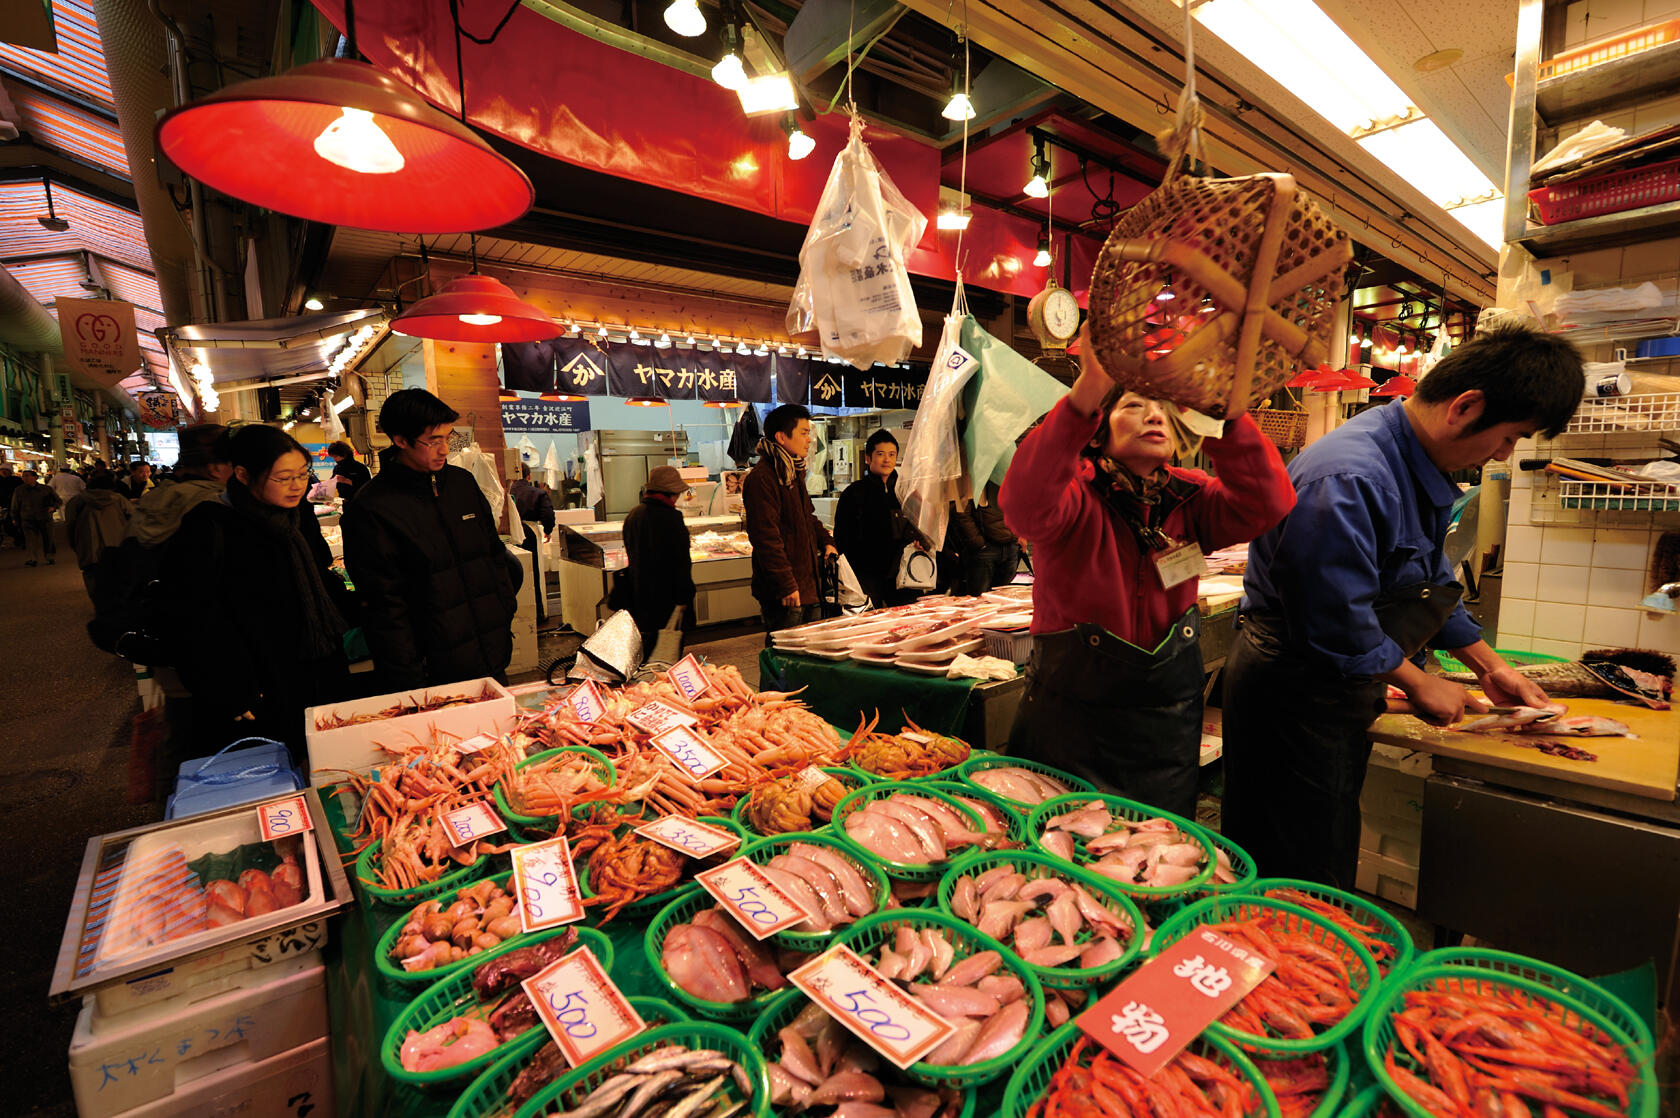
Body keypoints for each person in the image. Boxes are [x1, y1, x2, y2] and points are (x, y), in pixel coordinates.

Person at [1222, 323, 1584, 889]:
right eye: (1511, 437)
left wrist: (1490, 667)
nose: (1505, 454)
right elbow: (1332, 619)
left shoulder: (1415, 462)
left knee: (1324, 844)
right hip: (1292, 687)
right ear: (1466, 407)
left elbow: (1426, 581)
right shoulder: (1349, 477)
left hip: (1336, 680)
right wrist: (1418, 682)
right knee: (1294, 866)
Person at [999, 328, 1296, 819]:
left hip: (1164, 733)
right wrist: (1087, 391)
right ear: (1100, 430)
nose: (1154, 415)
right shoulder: (1075, 496)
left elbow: (1270, 501)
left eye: (1164, 410)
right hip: (1069, 724)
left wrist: (1220, 414)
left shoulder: (1191, 499)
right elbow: (1023, 506)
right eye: (1134, 406)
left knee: (1158, 853)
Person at [165, 426, 350, 760]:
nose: (297, 486)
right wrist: (232, 689)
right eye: (283, 478)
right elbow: (195, 618)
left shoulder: (298, 515)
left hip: (318, 665)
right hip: (260, 681)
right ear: (243, 475)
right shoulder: (209, 526)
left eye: (302, 474)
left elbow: (320, 574)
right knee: (279, 767)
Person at [343, 388, 517, 690]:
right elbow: (383, 603)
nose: (444, 449)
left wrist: (504, 609)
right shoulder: (372, 507)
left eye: (449, 438)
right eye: (434, 441)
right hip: (430, 670)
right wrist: (409, 674)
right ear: (400, 440)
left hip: (491, 652)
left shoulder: (462, 484)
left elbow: (493, 553)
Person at [744, 403, 836, 640]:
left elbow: (807, 517)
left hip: (808, 585)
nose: (809, 440)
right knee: (784, 653)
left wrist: (827, 541)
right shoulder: (762, 478)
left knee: (811, 652)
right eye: (804, 433)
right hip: (786, 591)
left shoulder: (793, 472)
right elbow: (766, 538)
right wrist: (786, 584)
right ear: (782, 437)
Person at [833, 429, 923, 607]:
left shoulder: (906, 491)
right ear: (868, 458)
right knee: (868, 619)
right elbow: (842, 535)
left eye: (892, 454)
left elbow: (919, 524)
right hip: (867, 574)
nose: (887, 459)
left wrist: (920, 540)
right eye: (880, 454)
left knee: (907, 618)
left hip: (903, 570)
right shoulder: (854, 493)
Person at [619, 465, 696, 658]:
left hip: (639, 597)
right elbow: (681, 564)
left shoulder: (633, 515)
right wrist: (685, 599)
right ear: (671, 493)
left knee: (644, 652)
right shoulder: (671, 518)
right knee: (666, 657)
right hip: (667, 601)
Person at [65, 471, 132, 599]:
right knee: (117, 573)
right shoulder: (118, 499)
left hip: (88, 544)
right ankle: (117, 600)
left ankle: (99, 601)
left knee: (92, 574)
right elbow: (132, 518)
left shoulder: (77, 501)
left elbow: (70, 524)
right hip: (117, 543)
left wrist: (75, 544)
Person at [11, 470, 61, 566]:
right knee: (30, 539)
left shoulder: (46, 489)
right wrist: (14, 517)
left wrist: (53, 507)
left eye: (27, 476)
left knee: (48, 538)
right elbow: (15, 505)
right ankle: (32, 558)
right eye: (23, 476)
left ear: (35, 477)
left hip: (44, 517)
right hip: (27, 518)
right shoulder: (19, 490)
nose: (25, 478)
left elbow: (58, 501)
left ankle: (50, 556)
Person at [509, 462, 555, 551]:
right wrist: (548, 531)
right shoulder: (539, 493)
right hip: (531, 533)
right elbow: (548, 515)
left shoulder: (506, 493)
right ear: (529, 476)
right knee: (532, 558)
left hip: (511, 533)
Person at [0, 464, 22, 549]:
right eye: (2, 470)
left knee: (15, 524)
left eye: (6, 470)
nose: (4, 472)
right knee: (7, 526)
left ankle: (19, 539)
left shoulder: (16, 480)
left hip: (15, 506)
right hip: (3, 506)